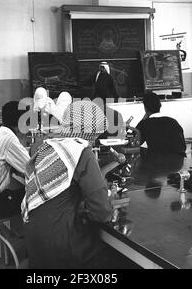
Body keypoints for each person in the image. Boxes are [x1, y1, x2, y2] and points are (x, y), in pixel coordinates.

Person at [21, 100, 136, 269]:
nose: (95, 139)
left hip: (33, 243)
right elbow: (102, 212)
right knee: (121, 258)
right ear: (90, 131)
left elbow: (59, 195)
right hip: (63, 247)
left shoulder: (45, 146)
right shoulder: (81, 151)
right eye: (96, 135)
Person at [136, 91, 186, 158]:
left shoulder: (145, 124)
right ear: (160, 106)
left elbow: (135, 140)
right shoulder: (173, 122)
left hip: (159, 163)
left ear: (145, 108)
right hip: (179, 161)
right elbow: (183, 146)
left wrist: (144, 118)